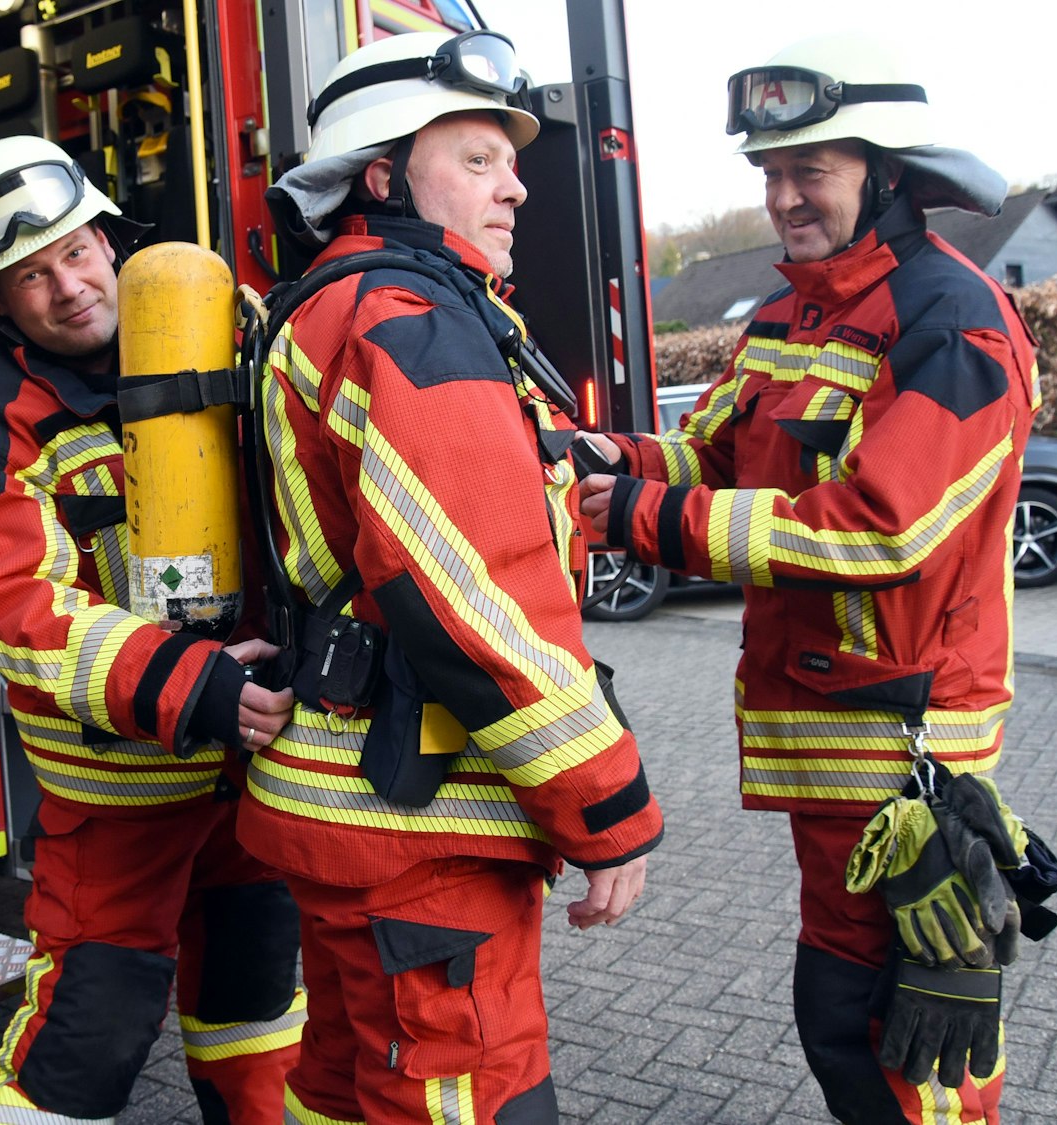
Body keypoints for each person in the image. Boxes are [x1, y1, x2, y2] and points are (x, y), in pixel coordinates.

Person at [579, 34, 1042, 1125]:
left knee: (908, 1038)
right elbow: (728, 461)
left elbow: (882, 529)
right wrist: (615, 463)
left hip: (903, 760)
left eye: (809, 173)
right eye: (770, 174)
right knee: (841, 1019)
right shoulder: (789, 315)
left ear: (885, 174)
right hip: (826, 757)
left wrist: (649, 517)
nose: (783, 198)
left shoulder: (952, 319)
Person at [242, 31, 663, 1125]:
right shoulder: (412, 320)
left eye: (508, 161)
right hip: (424, 840)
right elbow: (476, 599)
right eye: (476, 159)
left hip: (340, 817)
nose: (515, 185)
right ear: (381, 177)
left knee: (337, 1092)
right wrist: (605, 807)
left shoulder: (333, 307)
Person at [0, 133, 303, 1125]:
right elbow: (15, 610)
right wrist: (188, 683)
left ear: (110, 241)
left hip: (253, 772)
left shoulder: (222, 332)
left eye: (75, 253)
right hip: (119, 803)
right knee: (85, 1045)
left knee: (256, 1019)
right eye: (29, 276)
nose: (67, 287)